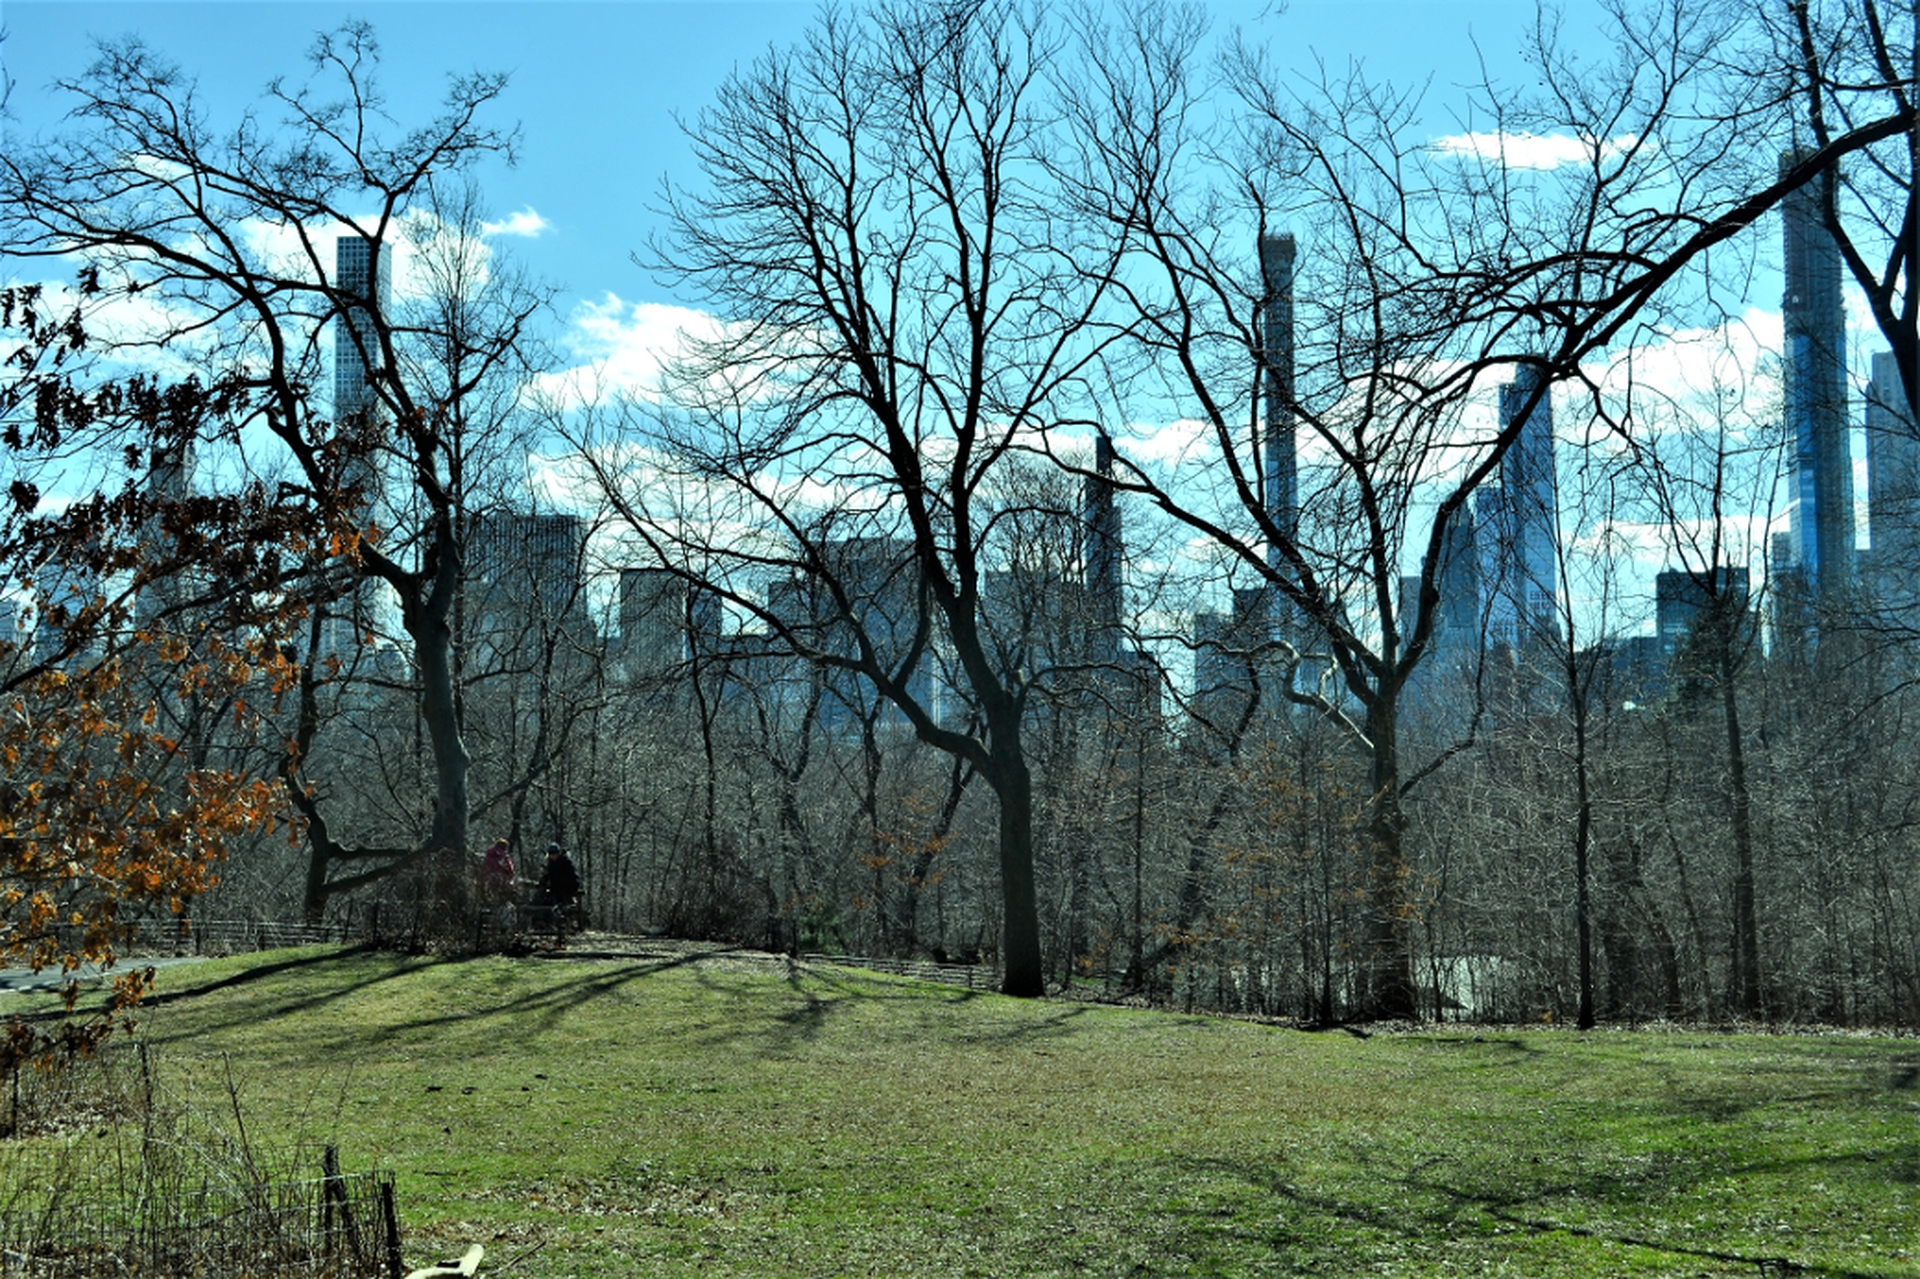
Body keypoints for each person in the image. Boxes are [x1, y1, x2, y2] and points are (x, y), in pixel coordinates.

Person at [533, 842, 581, 935]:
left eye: (554, 854)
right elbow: (547, 877)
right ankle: (542, 923)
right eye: (551, 854)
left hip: (567, 888)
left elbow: (570, 878)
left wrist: (557, 882)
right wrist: (542, 882)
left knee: (561, 904)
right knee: (544, 901)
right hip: (555, 889)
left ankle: (563, 923)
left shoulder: (566, 863)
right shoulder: (551, 864)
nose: (553, 856)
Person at [479, 839, 517, 929]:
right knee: (503, 904)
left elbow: (483, 870)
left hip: (489, 884)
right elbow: (511, 870)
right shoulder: (504, 856)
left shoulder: (488, 856)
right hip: (502, 884)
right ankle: (504, 925)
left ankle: (491, 924)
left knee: (492, 904)